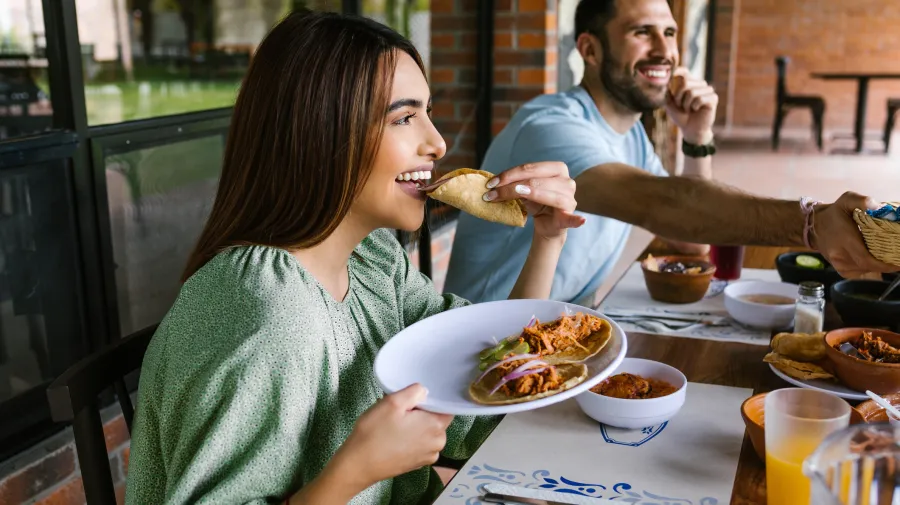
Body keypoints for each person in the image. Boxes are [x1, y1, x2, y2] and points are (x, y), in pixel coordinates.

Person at [124, 10, 584, 505]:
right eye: (405, 118)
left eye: (428, 112)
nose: (438, 142)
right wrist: (357, 470)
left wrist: (547, 239)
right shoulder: (265, 314)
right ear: (321, 131)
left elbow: (478, 393)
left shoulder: (371, 258)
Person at [443, 0, 897, 305]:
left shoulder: (632, 134)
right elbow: (666, 206)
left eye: (670, 33)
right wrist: (811, 223)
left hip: (549, 340)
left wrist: (697, 138)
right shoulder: (552, 127)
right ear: (590, 50)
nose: (665, 51)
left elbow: (691, 241)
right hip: (484, 355)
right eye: (643, 32)